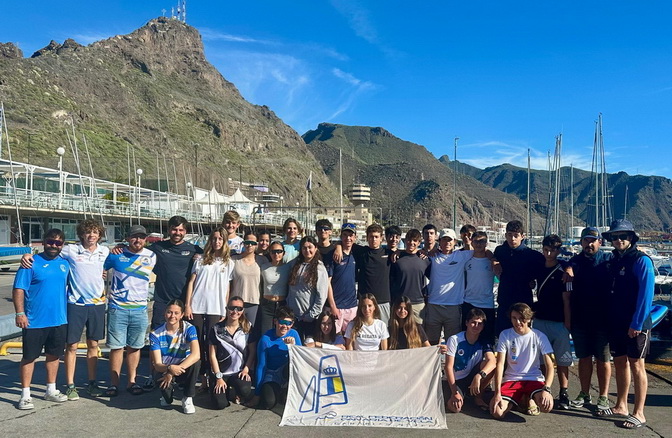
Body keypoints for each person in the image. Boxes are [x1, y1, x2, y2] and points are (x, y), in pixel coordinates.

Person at [19, 219, 109, 399]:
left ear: (100, 235)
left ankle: (92, 383)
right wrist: (27, 254)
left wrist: (117, 252)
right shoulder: (70, 250)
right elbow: (49, 250)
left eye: (95, 232)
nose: (91, 235)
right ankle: (70, 385)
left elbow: (118, 257)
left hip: (98, 304)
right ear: (81, 234)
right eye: (88, 232)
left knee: (93, 345)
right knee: (72, 346)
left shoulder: (105, 251)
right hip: (75, 304)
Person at [598, 219, 654, 429]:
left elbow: (646, 295)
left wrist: (637, 323)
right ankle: (621, 405)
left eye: (623, 236)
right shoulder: (613, 260)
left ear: (631, 238)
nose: (619, 240)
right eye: (615, 236)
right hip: (616, 321)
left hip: (635, 324)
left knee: (637, 364)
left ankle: (639, 413)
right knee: (620, 362)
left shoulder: (642, 261)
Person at [13, 229, 70, 410]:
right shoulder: (30, 263)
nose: (53, 245)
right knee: (29, 357)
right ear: (44, 242)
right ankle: (25, 395)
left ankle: (50, 390)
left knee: (54, 355)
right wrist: (19, 313)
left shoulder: (65, 264)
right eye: (50, 242)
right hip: (34, 320)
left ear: (62, 245)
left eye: (58, 243)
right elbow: (19, 289)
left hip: (59, 319)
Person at [144, 215, 202, 390]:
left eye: (181, 230)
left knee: (184, 340)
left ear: (186, 231)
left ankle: (182, 375)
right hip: (163, 301)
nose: (177, 232)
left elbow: (214, 254)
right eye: (174, 229)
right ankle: (152, 374)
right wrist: (120, 248)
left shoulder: (193, 249)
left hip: (184, 303)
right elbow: (137, 250)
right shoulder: (158, 247)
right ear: (169, 230)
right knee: (156, 339)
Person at [104, 225, 157, 397]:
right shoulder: (116, 254)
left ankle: (132, 382)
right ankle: (114, 384)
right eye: (134, 237)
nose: (138, 240)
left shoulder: (151, 256)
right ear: (128, 238)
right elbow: (99, 270)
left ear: (146, 239)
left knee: (135, 347)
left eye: (141, 237)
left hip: (140, 310)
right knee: (116, 348)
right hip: (117, 308)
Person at [567, 227, 612, 410]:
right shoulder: (574, 262)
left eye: (593, 241)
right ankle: (584, 393)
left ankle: (603, 396)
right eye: (586, 240)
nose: (589, 244)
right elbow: (565, 269)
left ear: (600, 242)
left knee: (603, 359)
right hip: (580, 320)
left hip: (603, 321)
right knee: (584, 358)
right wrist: (568, 268)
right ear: (581, 242)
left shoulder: (608, 260)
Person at [184, 226, 234, 388]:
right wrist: (187, 305)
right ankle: (200, 377)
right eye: (214, 238)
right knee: (196, 343)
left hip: (216, 308)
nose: (217, 242)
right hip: (197, 307)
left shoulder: (229, 263)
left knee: (212, 344)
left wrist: (225, 308)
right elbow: (191, 283)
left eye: (220, 239)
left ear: (224, 241)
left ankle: (214, 377)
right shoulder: (200, 260)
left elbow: (227, 288)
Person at [490, 303, 554, 420]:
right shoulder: (505, 334)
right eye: (514, 318)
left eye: (521, 318)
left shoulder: (539, 336)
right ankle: (521, 400)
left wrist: (547, 389)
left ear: (529, 319)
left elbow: (550, 366)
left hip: (534, 379)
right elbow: (500, 364)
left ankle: (527, 398)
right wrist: (497, 393)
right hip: (512, 379)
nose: (518, 322)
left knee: (546, 406)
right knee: (497, 412)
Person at [531, 234, 573, 410]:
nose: (549, 253)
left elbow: (567, 299)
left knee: (563, 360)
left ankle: (564, 392)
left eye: (553, 250)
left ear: (558, 251)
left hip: (559, 322)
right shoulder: (538, 267)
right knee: (542, 359)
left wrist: (567, 323)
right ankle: (542, 389)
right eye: (546, 249)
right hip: (540, 319)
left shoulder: (564, 270)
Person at [492, 220, 545, 334]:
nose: (512, 239)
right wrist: (494, 261)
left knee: (523, 337)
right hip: (504, 302)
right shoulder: (500, 251)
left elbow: (551, 263)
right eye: (509, 235)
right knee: (502, 336)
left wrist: (568, 267)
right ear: (505, 235)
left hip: (523, 304)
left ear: (522, 236)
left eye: (516, 235)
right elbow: (489, 254)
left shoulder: (532, 255)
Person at [149, 299, 201, 414]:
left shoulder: (189, 328)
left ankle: (188, 397)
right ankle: (167, 395)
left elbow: (196, 354)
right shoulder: (155, 333)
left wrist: (172, 372)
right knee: (167, 401)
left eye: (176, 313)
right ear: (165, 313)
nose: (172, 316)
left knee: (196, 363)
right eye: (169, 312)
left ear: (182, 315)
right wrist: (169, 368)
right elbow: (157, 364)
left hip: (182, 367)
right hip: (165, 368)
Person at [424, 228, 474, 344]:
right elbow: (415, 252)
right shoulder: (432, 256)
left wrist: (493, 259)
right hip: (433, 305)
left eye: (450, 240)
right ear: (439, 241)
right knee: (431, 342)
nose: (447, 242)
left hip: (454, 306)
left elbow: (481, 251)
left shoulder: (461, 256)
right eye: (444, 240)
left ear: (455, 242)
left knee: (452, 343)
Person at [208, 296, 257, 409]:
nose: (235, 311)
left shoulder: (248, 327)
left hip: (238, 372)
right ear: (226, 309)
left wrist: (246, 369)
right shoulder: (216, 329)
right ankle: (223, 391)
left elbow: (252, 351)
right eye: (232, 308)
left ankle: (237, 391)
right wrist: (218, 377)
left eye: (239, 309)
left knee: (245, 390)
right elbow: (212, 355)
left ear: (243, 310)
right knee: (219, 404)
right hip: (221, 372)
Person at [445, 308, 496, 413]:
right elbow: (448, 367)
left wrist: (479, 376)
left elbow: (492, 361)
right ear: (466, 323)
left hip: (472, 376)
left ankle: (478, 396)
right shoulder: (454, 339)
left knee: (489, 366)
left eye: (480, 324)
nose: (476, 326)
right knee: (455, 408)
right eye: (473, 322)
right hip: (457, 380)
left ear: (483, 326)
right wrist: (454, 392)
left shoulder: (483, 341)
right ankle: (457, 394)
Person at [254, 306, 302, 409]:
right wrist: (257, 393)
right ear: (275, 321)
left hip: (287, 371)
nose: (285, 326)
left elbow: (300, 361)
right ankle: (280, 391)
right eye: (282, 322)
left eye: (289, 323)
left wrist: (292, 347)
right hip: (272, 373)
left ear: (292, 324)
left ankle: (287, 389)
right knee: (269, 402)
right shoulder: (265, 339)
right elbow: (261, 366)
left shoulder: (294, 334)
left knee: (291, 367)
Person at [350, 224, 393, 324]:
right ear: (367, 238)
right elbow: (344, 242)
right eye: (371, 237)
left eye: (376, 237)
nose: (374, 239)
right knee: (363, 329)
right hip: (365, 302)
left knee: (384, 330)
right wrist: (338, 247)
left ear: (381, 238)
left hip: (383, 301)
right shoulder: (361, 252)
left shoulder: (389, 253)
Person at [287, 236, 329, 338]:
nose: (307, 250)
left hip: (309, 318)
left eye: (310, 247)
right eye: (304, 248)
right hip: (293, 316)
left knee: (308, 344)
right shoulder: (294, 264)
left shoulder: (319, 268)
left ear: (316, 248)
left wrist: (311, 315)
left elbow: (322, 295)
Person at [462, 231, 496, 345]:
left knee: (487, 340)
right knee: (468, 339)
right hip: (469, 303)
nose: (478, 244)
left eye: (482, 241)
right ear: (472, 242)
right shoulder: (466, 260)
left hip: (487, 304)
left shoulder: (492, 262)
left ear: (486, 243)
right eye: (476, 241)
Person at [390, 229, 429, 323]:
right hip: (401, 303)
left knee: (419, 331)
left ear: (419, 242)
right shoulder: (397, 258)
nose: (411, 243)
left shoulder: (425, 260)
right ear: (405, 241)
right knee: (399, 331)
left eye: (415, 240)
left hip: (418, 303)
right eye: (409, 240)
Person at [325, 223, 359, 333]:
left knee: (350, 338)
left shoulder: (357, 254)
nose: (348, 238)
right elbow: (327, 283)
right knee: (332, 339)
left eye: (351, 235)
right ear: (341, 236)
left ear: (355, 237)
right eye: (345, 235)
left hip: (352, 307)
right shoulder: (333, 256)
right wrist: (333, 306)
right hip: (336, 307)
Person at [231, 232, 265, 330]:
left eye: (253, 243)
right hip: (236, 302)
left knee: (250, 332)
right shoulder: (234, 259)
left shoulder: (262, 260)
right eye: (247, 242)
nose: (250, 245)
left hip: (254, 302)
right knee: (235, 330)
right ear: (243, 243)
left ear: (256, 244)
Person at [259, 241, 293, 334]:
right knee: (265, 333)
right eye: (273, 252)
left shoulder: (288, 267)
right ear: (269, 253)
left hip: (282, 304)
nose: (276, 254)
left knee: (282, 333)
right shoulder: (263, 267)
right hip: (267, 304)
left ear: (283, 253)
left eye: (279, 251)